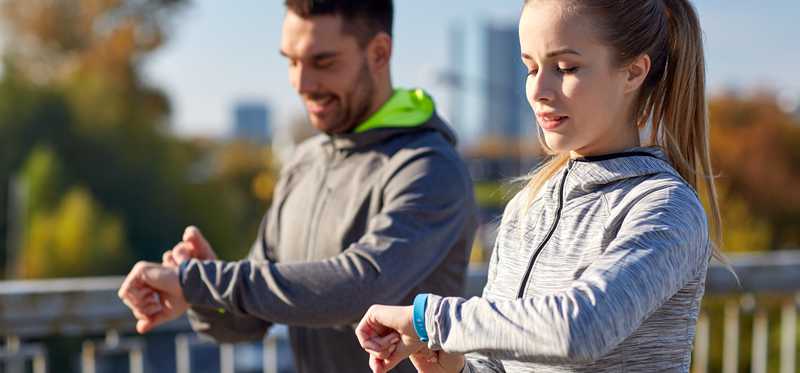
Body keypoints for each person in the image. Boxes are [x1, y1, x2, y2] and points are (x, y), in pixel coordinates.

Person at [356, 0, 726, 372]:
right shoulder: (528, 207)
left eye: (566, 68)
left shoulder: (665, 206)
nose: (538, 90)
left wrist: (431, 320)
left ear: (633, 72)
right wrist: (453, 367)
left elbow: (578, 330)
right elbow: (497, 365)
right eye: (531, 68)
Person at [116, 1, 478, 372]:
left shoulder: (430, 168)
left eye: (323, 62)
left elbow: (358, 289)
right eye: (291, 61)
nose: (302, 84)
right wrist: (203, 294)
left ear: (379, 53)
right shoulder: (304, 163)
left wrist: (204, 281)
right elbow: (248, 322)